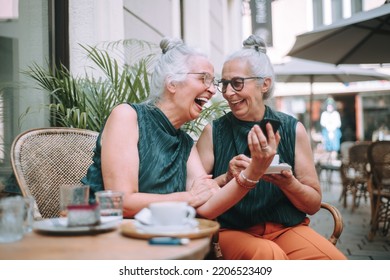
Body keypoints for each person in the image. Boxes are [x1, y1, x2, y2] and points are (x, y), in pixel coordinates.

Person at [196, 34, 347, 260]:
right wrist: (227, 177)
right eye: (224, 84)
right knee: (270, 256)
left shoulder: (291, 129)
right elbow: (196, 198)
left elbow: (313, 204)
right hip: (231, 231)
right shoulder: (213, 131)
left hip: (287, 229)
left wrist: (289, 183)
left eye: (237, 83)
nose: (227, 93)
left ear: (264, 84)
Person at [81, 37, 220, 218]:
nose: (213, 90)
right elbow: (122, 202)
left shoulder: (184, 143)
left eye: (213, 82)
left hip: (157, 238)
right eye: (204, 78)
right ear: (172, 83)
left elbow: (206, 206)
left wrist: (247, 176)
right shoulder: (127, 117)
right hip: (104, 233)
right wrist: (189, 197)